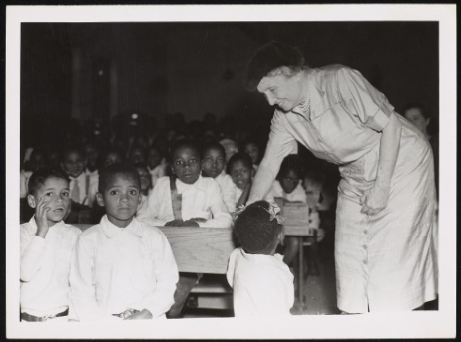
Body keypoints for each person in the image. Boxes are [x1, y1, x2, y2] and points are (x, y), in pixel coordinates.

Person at [244, 40, 438, 313]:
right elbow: (267, 165)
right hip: (354, 173)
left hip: (402, 162)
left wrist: (382, 188)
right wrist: (251, 211)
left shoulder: (339, 80)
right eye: (265, 95)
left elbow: (391, 125)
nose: (271, 101)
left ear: (292, 71)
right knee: (350, 265)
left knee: (391, 267)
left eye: (273, 90)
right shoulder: (284, 116)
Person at [69, 163, 179, 321]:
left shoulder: (154, 237)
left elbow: (168, 282)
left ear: (140, 198)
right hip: (103, 323)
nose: (125, 199)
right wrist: (102, 323)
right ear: (100, 198)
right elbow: (81, 291)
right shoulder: (88, 240)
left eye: (132, 192)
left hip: (148, 320)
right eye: (115, 192)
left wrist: (147, 313)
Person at [136, 139, 232, 318]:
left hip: (192, 258)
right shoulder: (163, 184)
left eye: (192, 161)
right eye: (179, 163)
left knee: (173, 302)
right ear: (172, 168)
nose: (186, 167)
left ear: (201, 164)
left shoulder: (210, 185)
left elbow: (226, 220)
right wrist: (167, 225)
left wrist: (197, 225)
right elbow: (142, 219)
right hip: (161, 254)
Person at [20, 167, 81, 322]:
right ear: (32, 201)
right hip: (29, 322)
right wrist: (41, 233)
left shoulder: (74, 235)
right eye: (49, 194)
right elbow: (25, 273)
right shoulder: (21, 233)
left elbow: (79, 283)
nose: (59, 199)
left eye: (65, 194)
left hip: (63, 319)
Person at [226, 201, 294, 316]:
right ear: (280, 236)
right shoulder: (278, 272)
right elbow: (287, 305)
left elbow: (231, 280)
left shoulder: (236, 256)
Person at [271, 155, 307, 266]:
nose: (292, 184)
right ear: (280, 176)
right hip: (271, 228)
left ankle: (279, 269)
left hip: (290, 230)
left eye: (296, 180)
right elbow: (271, 206)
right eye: (288, 179)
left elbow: (299, 212)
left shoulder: (299, 190)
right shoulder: (272, 185)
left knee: (295, 243)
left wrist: (282, 203)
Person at [201, 141, 238, 213]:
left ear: (224, 163)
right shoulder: (196, 179)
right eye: (209, 159)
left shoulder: (227, 181)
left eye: (219, 159)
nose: (214, 164)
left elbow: (230, 208)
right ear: (201, 162)